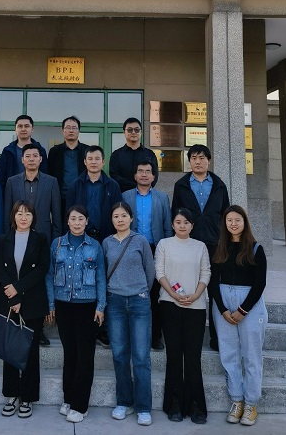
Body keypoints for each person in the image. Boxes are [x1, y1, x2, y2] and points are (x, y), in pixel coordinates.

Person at [45, 204, 106, 424]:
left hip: (87, 306)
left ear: (87, 221)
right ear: (68, 221)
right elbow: (49, 275)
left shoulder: (95, 246)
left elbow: (101, 277)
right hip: (63, 305)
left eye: (81, 219)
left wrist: (101, 306)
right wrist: (51, 304)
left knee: (85, 355)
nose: (77, 223)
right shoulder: (57, 244)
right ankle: (68, 398)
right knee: (70, 353)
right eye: (73, 219)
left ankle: (81, 405)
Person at [210, 205, 268, 427]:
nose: (233, 224)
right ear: (224, 224)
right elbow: (213, 282)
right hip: (223, 304)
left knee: (251, 356)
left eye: (237, 220)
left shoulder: (256, 249)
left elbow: (260, 283)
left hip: (249, 306)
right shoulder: (220, 248)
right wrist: (223, 309)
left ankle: (251, 403)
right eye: (229, 220)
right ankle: (236, 400)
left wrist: (243, 310)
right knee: (229, 355)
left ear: (245, 222)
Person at [155, 208, 210, 425]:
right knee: (174, 355)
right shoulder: (164, 244)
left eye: (186, 222)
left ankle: (196, 404)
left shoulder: (200, 246)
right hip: (170, 305)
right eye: (178, 222)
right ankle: (174, 403)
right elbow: (159, 272)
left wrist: (196, 295)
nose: (182, 226)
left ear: (192, 225)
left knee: (193, 357)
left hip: (196, 306)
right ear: (172, 224)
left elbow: (206, 273)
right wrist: (173, 294)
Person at [102, 201, 155, 426]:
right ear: (112, 220)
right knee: (119, 354)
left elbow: (150, 272)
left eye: (124, 215)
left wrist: (140, 291)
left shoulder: (140, 241)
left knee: (141, 356)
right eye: (116, 216)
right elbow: (104, 272)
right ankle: (123, 402)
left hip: (139, 301)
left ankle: (143, 407)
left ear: (131, 218)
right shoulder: (106, 243)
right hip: (114, 302)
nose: (120, 219)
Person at [172, 144, 229, 350]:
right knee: (187, 287)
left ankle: (216, 338)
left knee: (214, 290)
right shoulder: (181, 185)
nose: (198, 161)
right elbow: (175, 215)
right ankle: (185, 336)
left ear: (209, 161)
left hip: (215, 244)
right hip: (190, 244)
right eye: (194, 158)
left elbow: (226, 215)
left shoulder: (219, 185)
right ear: (189, 161)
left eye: (202, 158)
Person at [0, 201, 50, 419]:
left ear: (33, 217)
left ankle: (27, 397)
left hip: (33, 303)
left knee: (31, 352)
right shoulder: (3, 240)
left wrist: (18, 290)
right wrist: (13, 297)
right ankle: (11, 395)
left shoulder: (41, 239)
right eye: (19, 213)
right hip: (9, 301)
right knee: (9, 350)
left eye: (28, 214)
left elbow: (42, 269)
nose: (23, 217)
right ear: (13, 217)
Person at [66, 145, 121, 347]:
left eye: (97, 158)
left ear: (103, 161)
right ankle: (87, 324)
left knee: (103, 280)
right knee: (83, 280)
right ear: (85, 162)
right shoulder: (76, 185)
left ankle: (103, 328)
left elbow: (117, 213)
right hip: (82, 239)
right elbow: (69, 213)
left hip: (106, 239)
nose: (94, 162)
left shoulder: (112, 185)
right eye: (90, 159)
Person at [122, 161, 172, 350]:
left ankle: (155, 336)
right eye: (140, 171)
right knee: (132, 291)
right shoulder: (125, 196)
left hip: (155, 249)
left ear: (153, 176)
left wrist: (167, 250)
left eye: (148, 172)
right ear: (135, 176)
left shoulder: (162, 198)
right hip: (132, 248)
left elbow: (167, 226)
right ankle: (131, 336)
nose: (144, 174)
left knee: (154, 293)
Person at [4, 144, 61, 243]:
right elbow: (7, 213)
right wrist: (7, 237)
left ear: (40, 159)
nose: (31, 159)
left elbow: (57, 215)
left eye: (35, 156)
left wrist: (56, 241)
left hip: (43, 235)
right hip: (17, 235)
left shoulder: (51, 182)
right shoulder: (12, 182)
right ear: (22, 160)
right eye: (28, 156)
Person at [47, 115, 87, 222]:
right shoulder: (54, 152)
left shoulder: (87, 151)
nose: (71, 130)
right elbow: (49, 174)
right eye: (68, 127)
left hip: (82, 196)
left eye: (74, 128)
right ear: (63, 131)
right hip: (60, 198)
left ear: (79, 131)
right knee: (60, 225)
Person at [0, 115, 48, 193]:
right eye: (20, 126)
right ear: (15, 129)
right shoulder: (8, 151)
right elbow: (1, 176)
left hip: (36, 192)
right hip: (13, 193)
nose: (23, 129)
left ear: (32, 129)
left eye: (26, 126)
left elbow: (45, 174)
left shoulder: (40, 150)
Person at [109, 118, 159, 192]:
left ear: (141, 132)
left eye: (136, 130)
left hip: (144, 194)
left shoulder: (150, 154)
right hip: (122, 195)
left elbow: (154, 175)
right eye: (129, 130)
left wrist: (141, 188)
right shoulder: (116, 155)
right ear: (124, 132)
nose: (133, 132)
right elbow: (114, 177)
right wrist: (135, 187)